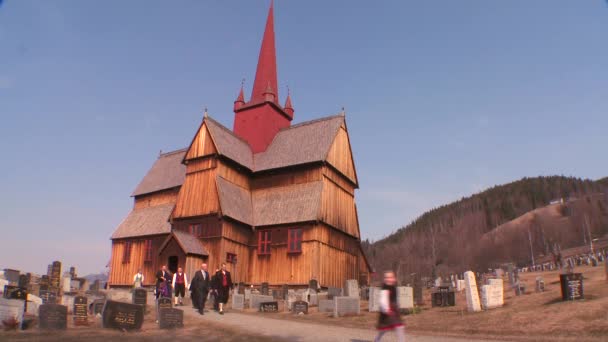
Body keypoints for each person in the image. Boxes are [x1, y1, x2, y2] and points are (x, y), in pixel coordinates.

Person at [374, 271, 405, 342]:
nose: (388, 279)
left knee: (399, 326)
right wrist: (386, 309)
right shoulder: (384, 289)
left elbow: (396, 299)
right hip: (387, 311)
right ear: (384, 279)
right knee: (385, 328)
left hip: (394, 310)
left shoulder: (394, 288)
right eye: (386, 277)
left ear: (394, 279)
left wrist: (397, 306)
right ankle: (377, 339)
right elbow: (383, 300)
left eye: (390, 277)